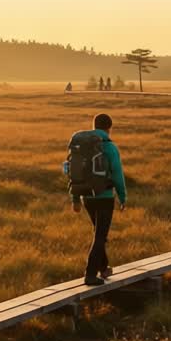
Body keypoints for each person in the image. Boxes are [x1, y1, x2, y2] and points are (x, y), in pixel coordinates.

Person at [68, 113, 127, 285]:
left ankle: (104, 268)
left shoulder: (80, 145)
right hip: (104, 197)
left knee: (98, 233)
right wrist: (122, 197)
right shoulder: (109, 146)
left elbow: (73, 171)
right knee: (101, 235)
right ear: (110, 128)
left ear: (94, 126)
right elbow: (117, 174)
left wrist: (75, 199)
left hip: (86, 196)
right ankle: (90, 274)